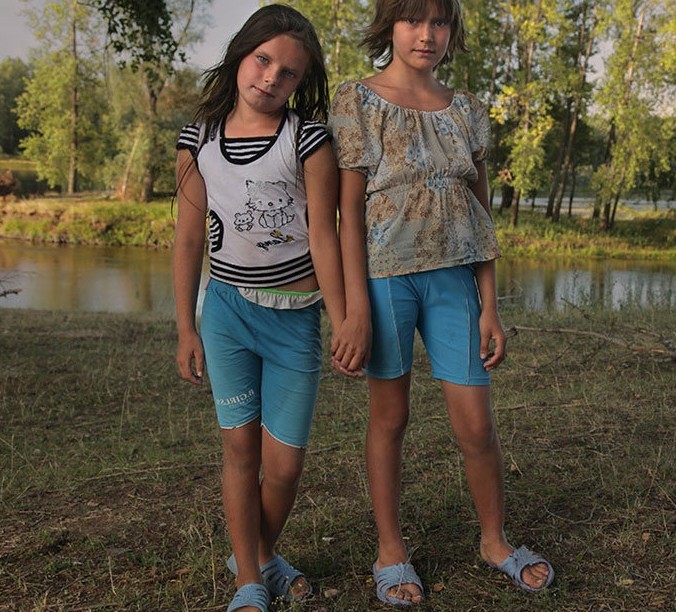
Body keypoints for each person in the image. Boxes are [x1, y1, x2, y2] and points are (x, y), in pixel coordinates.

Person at [329, 0, 554, 605]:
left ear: (451, 31)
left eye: (438, 22)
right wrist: (353, 309)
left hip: (455, 280)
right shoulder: (358, 100)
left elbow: (479, 213)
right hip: (385, 280)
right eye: (412, 20)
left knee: (476, 422)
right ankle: (390, 549)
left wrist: (490, 304)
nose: (426, 34)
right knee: (391, 417)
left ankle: (494, 541)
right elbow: (347, 215)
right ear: (390, 26)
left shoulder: (468, 110)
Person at [173, 6, 354, 612]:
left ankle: (259, 552)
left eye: (289, 72)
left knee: (283, 467)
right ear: (240, 55)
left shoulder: (307, 139)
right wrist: (186, 327)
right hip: (225, 315)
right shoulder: (198, 139)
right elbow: (189, 240)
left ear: (301, 82)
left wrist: (343, 320)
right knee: (240, 451)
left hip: (294, 320)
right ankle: (249, 580)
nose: (272, 77)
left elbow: (325, 236)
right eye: (263, 59)